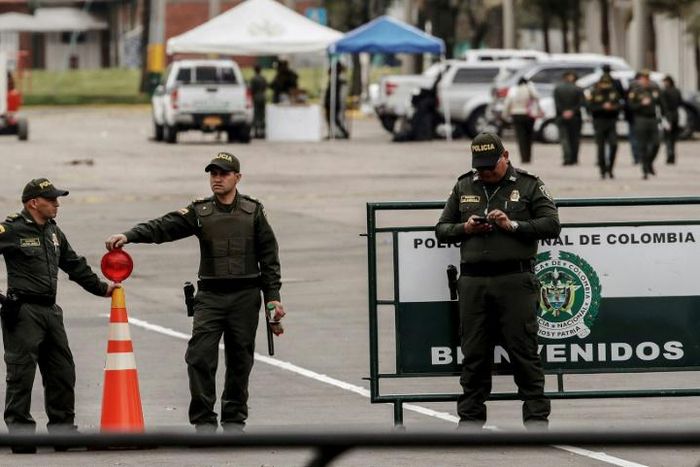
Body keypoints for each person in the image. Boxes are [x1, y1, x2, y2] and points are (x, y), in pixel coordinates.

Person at [105, 152, 284, 433]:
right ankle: (203, 422)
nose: (217, 179)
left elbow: (269, 257)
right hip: (210, 296)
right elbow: (164, 226)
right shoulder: (200, 212)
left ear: (237, 177)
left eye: (224, 173)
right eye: (213, 173)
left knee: (240, 360)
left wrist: (273, 298)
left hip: (246, 296)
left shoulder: (253, 211)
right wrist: (129, 235)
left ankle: (234, 420)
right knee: (199, 357)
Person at [435, 132, 560, 430]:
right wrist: (465, 228)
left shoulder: (529, 185)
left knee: (524, 350)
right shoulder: (465, 184)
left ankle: (536, 420)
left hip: (514, 280)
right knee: (474, 352)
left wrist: (512, 224)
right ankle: (470, 419)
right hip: (474, 283)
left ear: (506, 156)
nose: (486, 172)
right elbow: (442, 228)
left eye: (491, 166)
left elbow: (551, 224)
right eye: (480, 167)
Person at [0, 178, 117, 453]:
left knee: (62, 372)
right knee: (21, 374)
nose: (56, 204)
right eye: (51, 200)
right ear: (33, 203)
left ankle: (63, 432)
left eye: (56, 199)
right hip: (23, 312)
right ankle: (21, 436)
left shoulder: (53, 232)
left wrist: (102, 288)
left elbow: (73, 264)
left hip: (51, 312)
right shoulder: (11, 229)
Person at [586, 73, 623, 179]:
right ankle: (602, 170)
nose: (606, 86)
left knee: (614, 144)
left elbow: (620, 105)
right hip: (599, 122)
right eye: (604, 83)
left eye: (607, 83)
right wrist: (602, 107)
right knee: (601, 147)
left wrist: (613, 108)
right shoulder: (594, 93)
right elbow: (589, 107)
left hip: (611, 122)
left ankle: (610, 168)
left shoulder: (614, 93)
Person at [628, 70, 662, 179]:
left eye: (647, 78)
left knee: (656, 143)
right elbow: (630, 107)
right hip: (640, 118)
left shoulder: (654, 89)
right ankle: (645, 170)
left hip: (652, 119)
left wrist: (665, 118)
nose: (645, 81)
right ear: (640, 79)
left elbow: (661, 103)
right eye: (643, 78)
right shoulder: (635, 91)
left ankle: (649, 162)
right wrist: (641, 104)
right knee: (642, 145)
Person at [503, 77, 541, 164]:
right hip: (528, 115)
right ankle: (528, 157)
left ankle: (523, 158)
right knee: (529, 136)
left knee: (521, 137)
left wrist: (505, 115)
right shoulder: (529, 88)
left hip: (516, 114)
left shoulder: (513, 90)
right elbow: (537, 97)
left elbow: (507, 103)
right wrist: (530, 87)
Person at [553, 70, 584, 166]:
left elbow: (557, 104)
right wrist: (572, 111)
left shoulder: (557, 89)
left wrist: (563, 111)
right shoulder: (578, 89)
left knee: (564, 138)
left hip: (561, 116)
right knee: (574, 138)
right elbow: (581, 103)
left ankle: (567, 158)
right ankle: (574, 159)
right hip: (575, 117)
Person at [660, 75, 682, 164]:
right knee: (673, 138)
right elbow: (680, 102)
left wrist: (664, 116)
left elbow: (663, 106)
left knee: (668, 137)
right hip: (676, 115)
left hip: (667, 116)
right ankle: (672, 155)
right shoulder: (677, 91)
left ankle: (670, 155)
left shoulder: (664, 92)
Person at [323, 62, 349, 139]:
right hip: (331, 102)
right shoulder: (336, 79)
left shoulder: (337, 80)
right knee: (332, 119)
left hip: (333, 102)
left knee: (334, 119)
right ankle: (333, 133)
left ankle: (343, 132)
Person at [249, 65, 268, 139]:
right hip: (262, 97)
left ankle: (256, 132)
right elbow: (265, 87)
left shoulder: (253, 79)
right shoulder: (263, 78)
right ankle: (262, 132)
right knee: (262, 115)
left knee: (256, 114)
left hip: (256, 97)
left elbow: (251, 89)